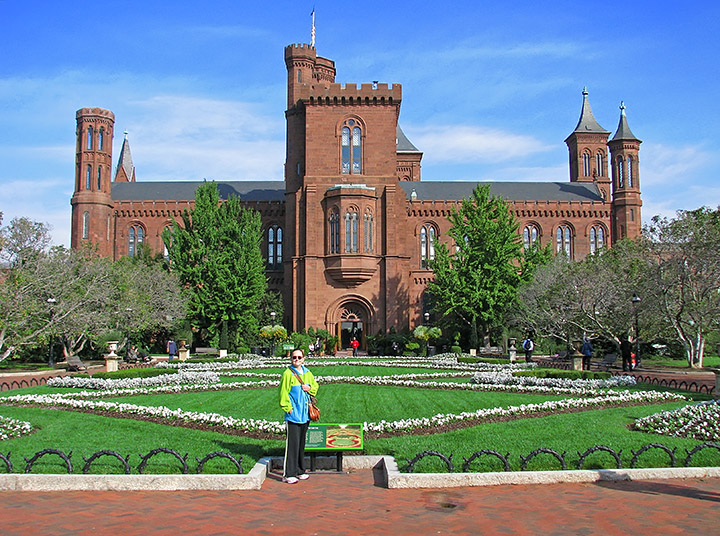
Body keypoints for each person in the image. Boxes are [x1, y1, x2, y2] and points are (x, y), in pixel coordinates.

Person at [279, 349, 319, 484]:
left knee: (301, 443)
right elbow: (283, 392)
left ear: (303, 359)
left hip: (305, 414)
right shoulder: (287, 374)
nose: (296, 359)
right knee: (292, 444)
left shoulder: (307, 373)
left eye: (299, 357)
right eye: (294, 357)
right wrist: (288, 408)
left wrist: (310, 388)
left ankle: (300, 470)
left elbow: (315, 386)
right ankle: (289, 473)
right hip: (294, 413)